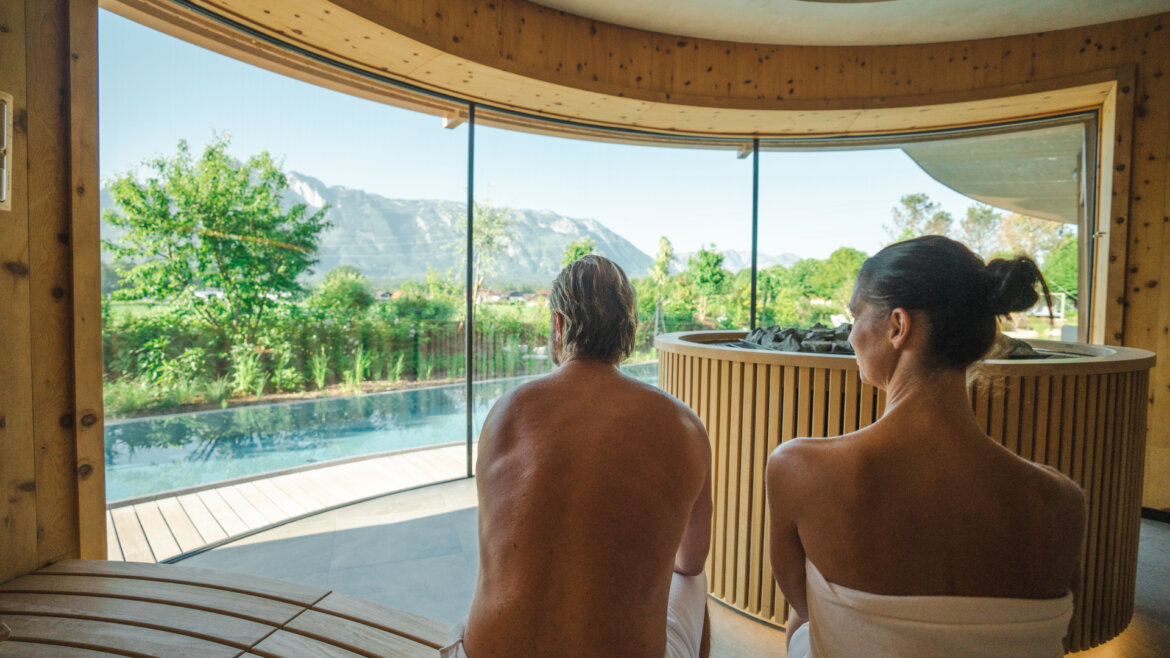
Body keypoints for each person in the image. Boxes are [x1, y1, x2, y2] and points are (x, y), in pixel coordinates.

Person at [766, 236, 1086, 657]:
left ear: (898, 326)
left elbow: (805, 610)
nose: (850, 336)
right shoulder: (1062, 501)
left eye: (856, 315)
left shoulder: (798, 468)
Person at [444, 254, 713, 658]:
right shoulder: (684, 426)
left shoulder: (505, 413)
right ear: (629, 327)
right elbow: (690, 562)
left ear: (559, 324)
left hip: (483, 653)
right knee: (693, 582)